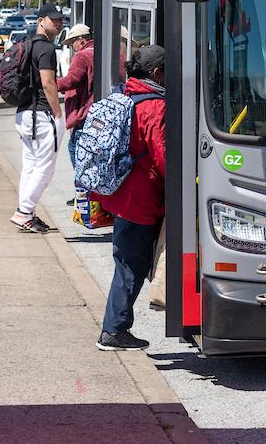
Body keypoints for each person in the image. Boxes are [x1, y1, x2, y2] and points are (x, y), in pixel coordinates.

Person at [96, 45, 167, 351]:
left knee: (126, 260)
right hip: (142, 198)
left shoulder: (124, 94)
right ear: (157, 73)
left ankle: (115, 327)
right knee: (130, 265)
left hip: (121, 193)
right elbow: (164, 156)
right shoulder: (155, 105)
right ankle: (113, 330)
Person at [10, 3, 65, 234]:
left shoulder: (27, 44)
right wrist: (58, 113)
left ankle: (27, 214)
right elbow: (48, 83)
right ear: (41, 20)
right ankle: (24, 212)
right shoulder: (46, 49)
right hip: (42, 115)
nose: (58, 23)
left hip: (24, 114)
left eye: (61, 20)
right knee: (45, 167)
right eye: (54, 20)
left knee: (31, 165)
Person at [56, 23, 95, 169]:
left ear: (81, 40)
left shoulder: (82, 55)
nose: (73, 47)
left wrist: (52, 84)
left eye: (73, 43)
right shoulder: (102, 51)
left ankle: (81, 189)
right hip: (98, 111)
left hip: (84, 113)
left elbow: (72, 80)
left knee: (75, 149)